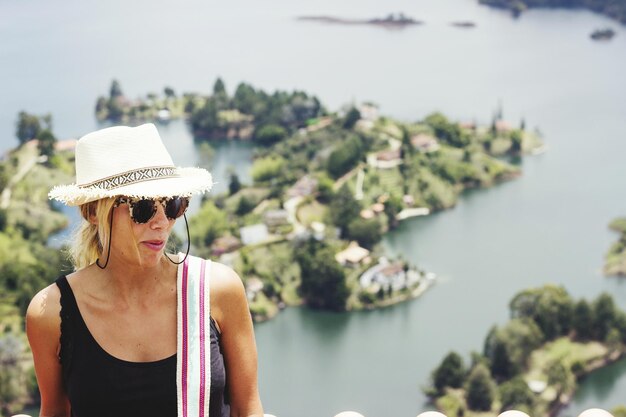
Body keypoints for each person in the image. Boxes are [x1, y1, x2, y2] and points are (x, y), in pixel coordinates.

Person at [26, 123, 264, 417]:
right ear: (92, 212)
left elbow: (247, 409)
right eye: (143, 208)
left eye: (174, 204)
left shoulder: (218, 291)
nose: (162, 222)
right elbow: (55, 412)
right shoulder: (51, 314)